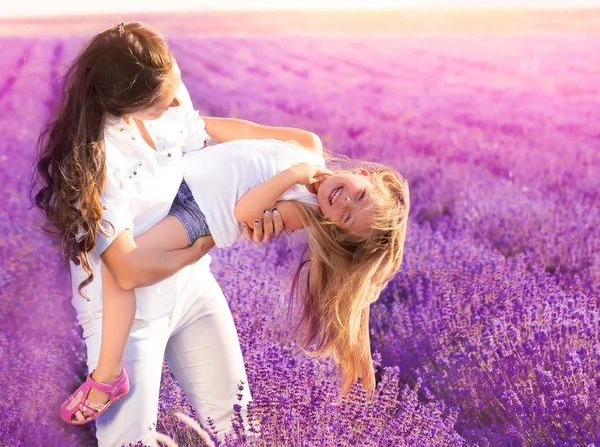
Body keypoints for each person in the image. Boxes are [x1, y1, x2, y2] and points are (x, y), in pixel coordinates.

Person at [32, 22, 286, 447]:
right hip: (128, 318)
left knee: (240, 429)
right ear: (122, 106)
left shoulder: (169, 99)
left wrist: (291, 153)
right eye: (159, 103)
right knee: (128, 442)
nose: (174, 102)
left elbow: (205, 139)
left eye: (175, 86)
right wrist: (209, 239)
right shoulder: (92, 162)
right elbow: (127, 272)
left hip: (191, 288)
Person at [58, 119, 410, 426]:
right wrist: (190, 122)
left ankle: (107, 377)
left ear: (337, 227)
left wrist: (297, 175)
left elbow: (244, 211)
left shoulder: (306, 210)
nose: (344, 203)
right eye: (359, 195)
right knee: (103, 189)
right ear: (365, 175)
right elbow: (249, 131)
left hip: (195, 215)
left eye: (347, 217)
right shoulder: (309, 143)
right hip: (180, 169)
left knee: (120, 266)